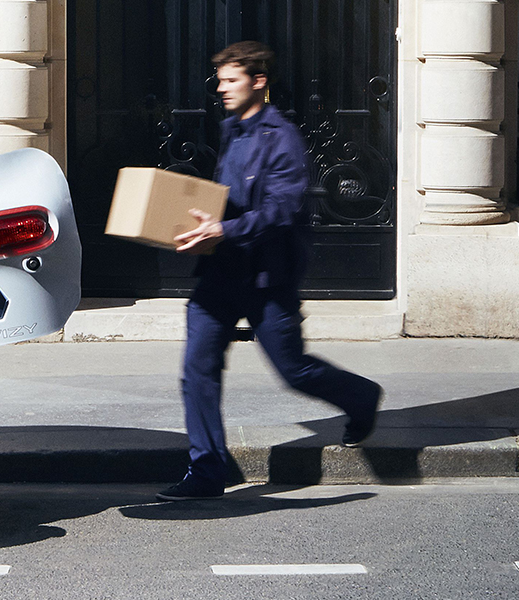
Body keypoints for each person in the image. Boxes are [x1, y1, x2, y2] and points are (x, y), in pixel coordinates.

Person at [156, 41, 384, 502]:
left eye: (230, 79)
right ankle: (207, 469)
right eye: (219, 79)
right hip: (220, 272)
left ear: (258, 82)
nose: (220, 88)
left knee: (294, 370)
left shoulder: (282, 138)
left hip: (265, 277)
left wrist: (226, 227)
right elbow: (232, 198)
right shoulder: (233, 131)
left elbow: (281, 210)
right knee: (197, 369)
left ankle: (360, 397)